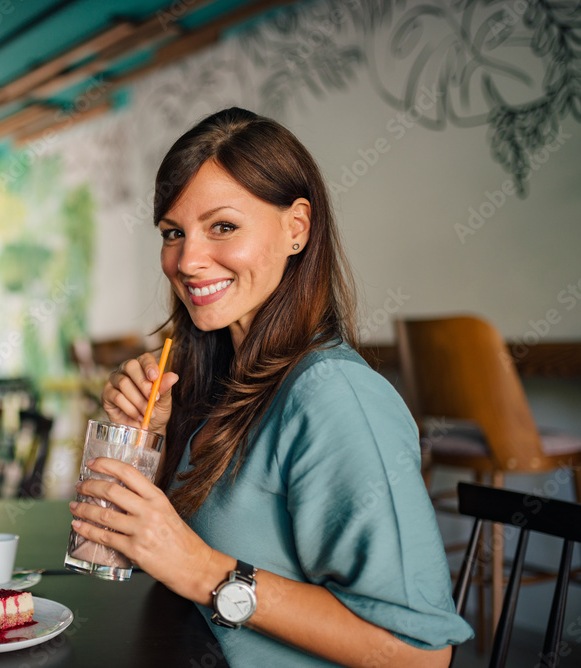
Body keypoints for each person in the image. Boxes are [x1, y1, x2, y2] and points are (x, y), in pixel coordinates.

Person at [69, 107, 473, 667]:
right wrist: (144, 442)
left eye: (223, 227)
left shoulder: (334, 398)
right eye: (172, 233)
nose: (187, 260)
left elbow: (418, 656)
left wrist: (204, 572)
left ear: (296, 228)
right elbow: (120, 550)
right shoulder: (218, 382)